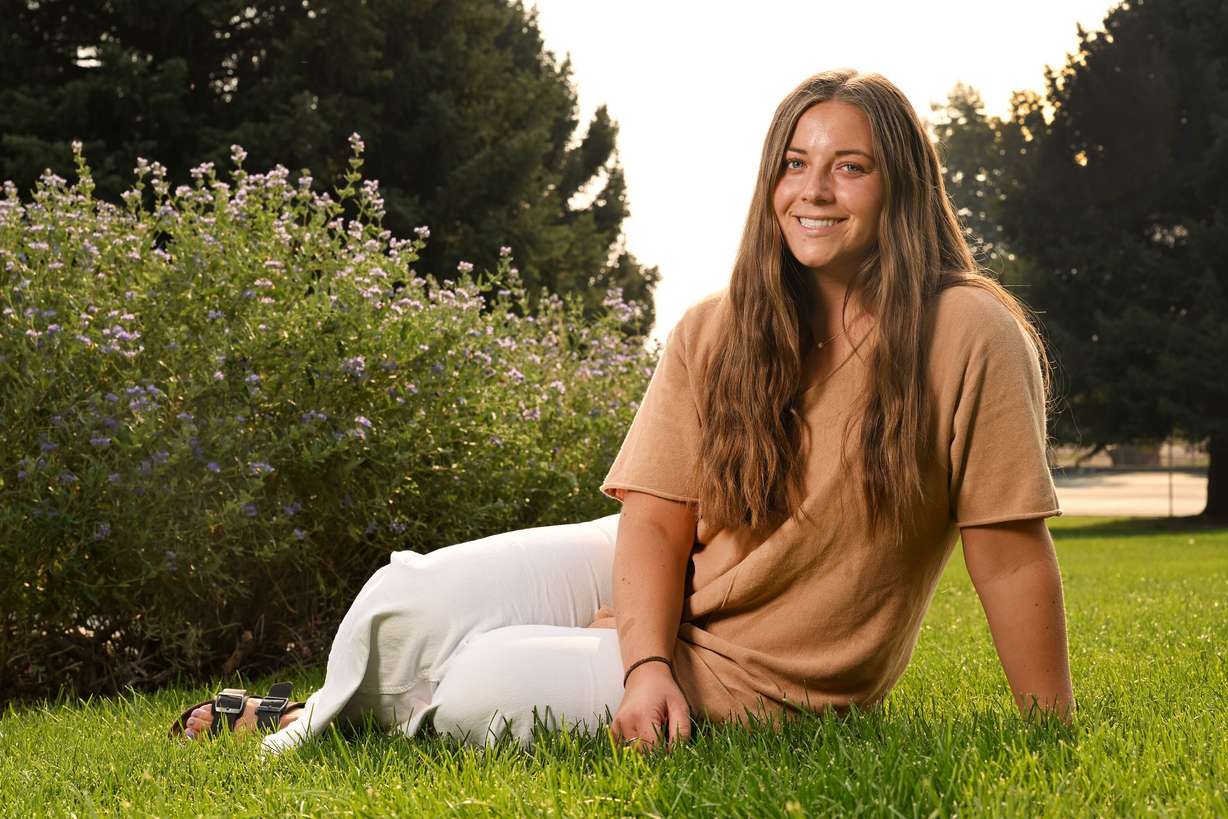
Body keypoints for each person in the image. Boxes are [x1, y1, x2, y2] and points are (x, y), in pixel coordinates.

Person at [173, 68, 1075, 753]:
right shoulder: (717, 328)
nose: (816, 191)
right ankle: (307, 711)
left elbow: (1008, 556)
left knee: (486, 678)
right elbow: (653, 521)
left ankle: (294, 720)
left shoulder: (969, 332)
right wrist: (642, 659)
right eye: (795, 165)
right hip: (663, 574)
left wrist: (1049, 735)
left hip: (762, 672)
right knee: (410, 595)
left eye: (851, 168)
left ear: (901, 188)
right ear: (770, 185)